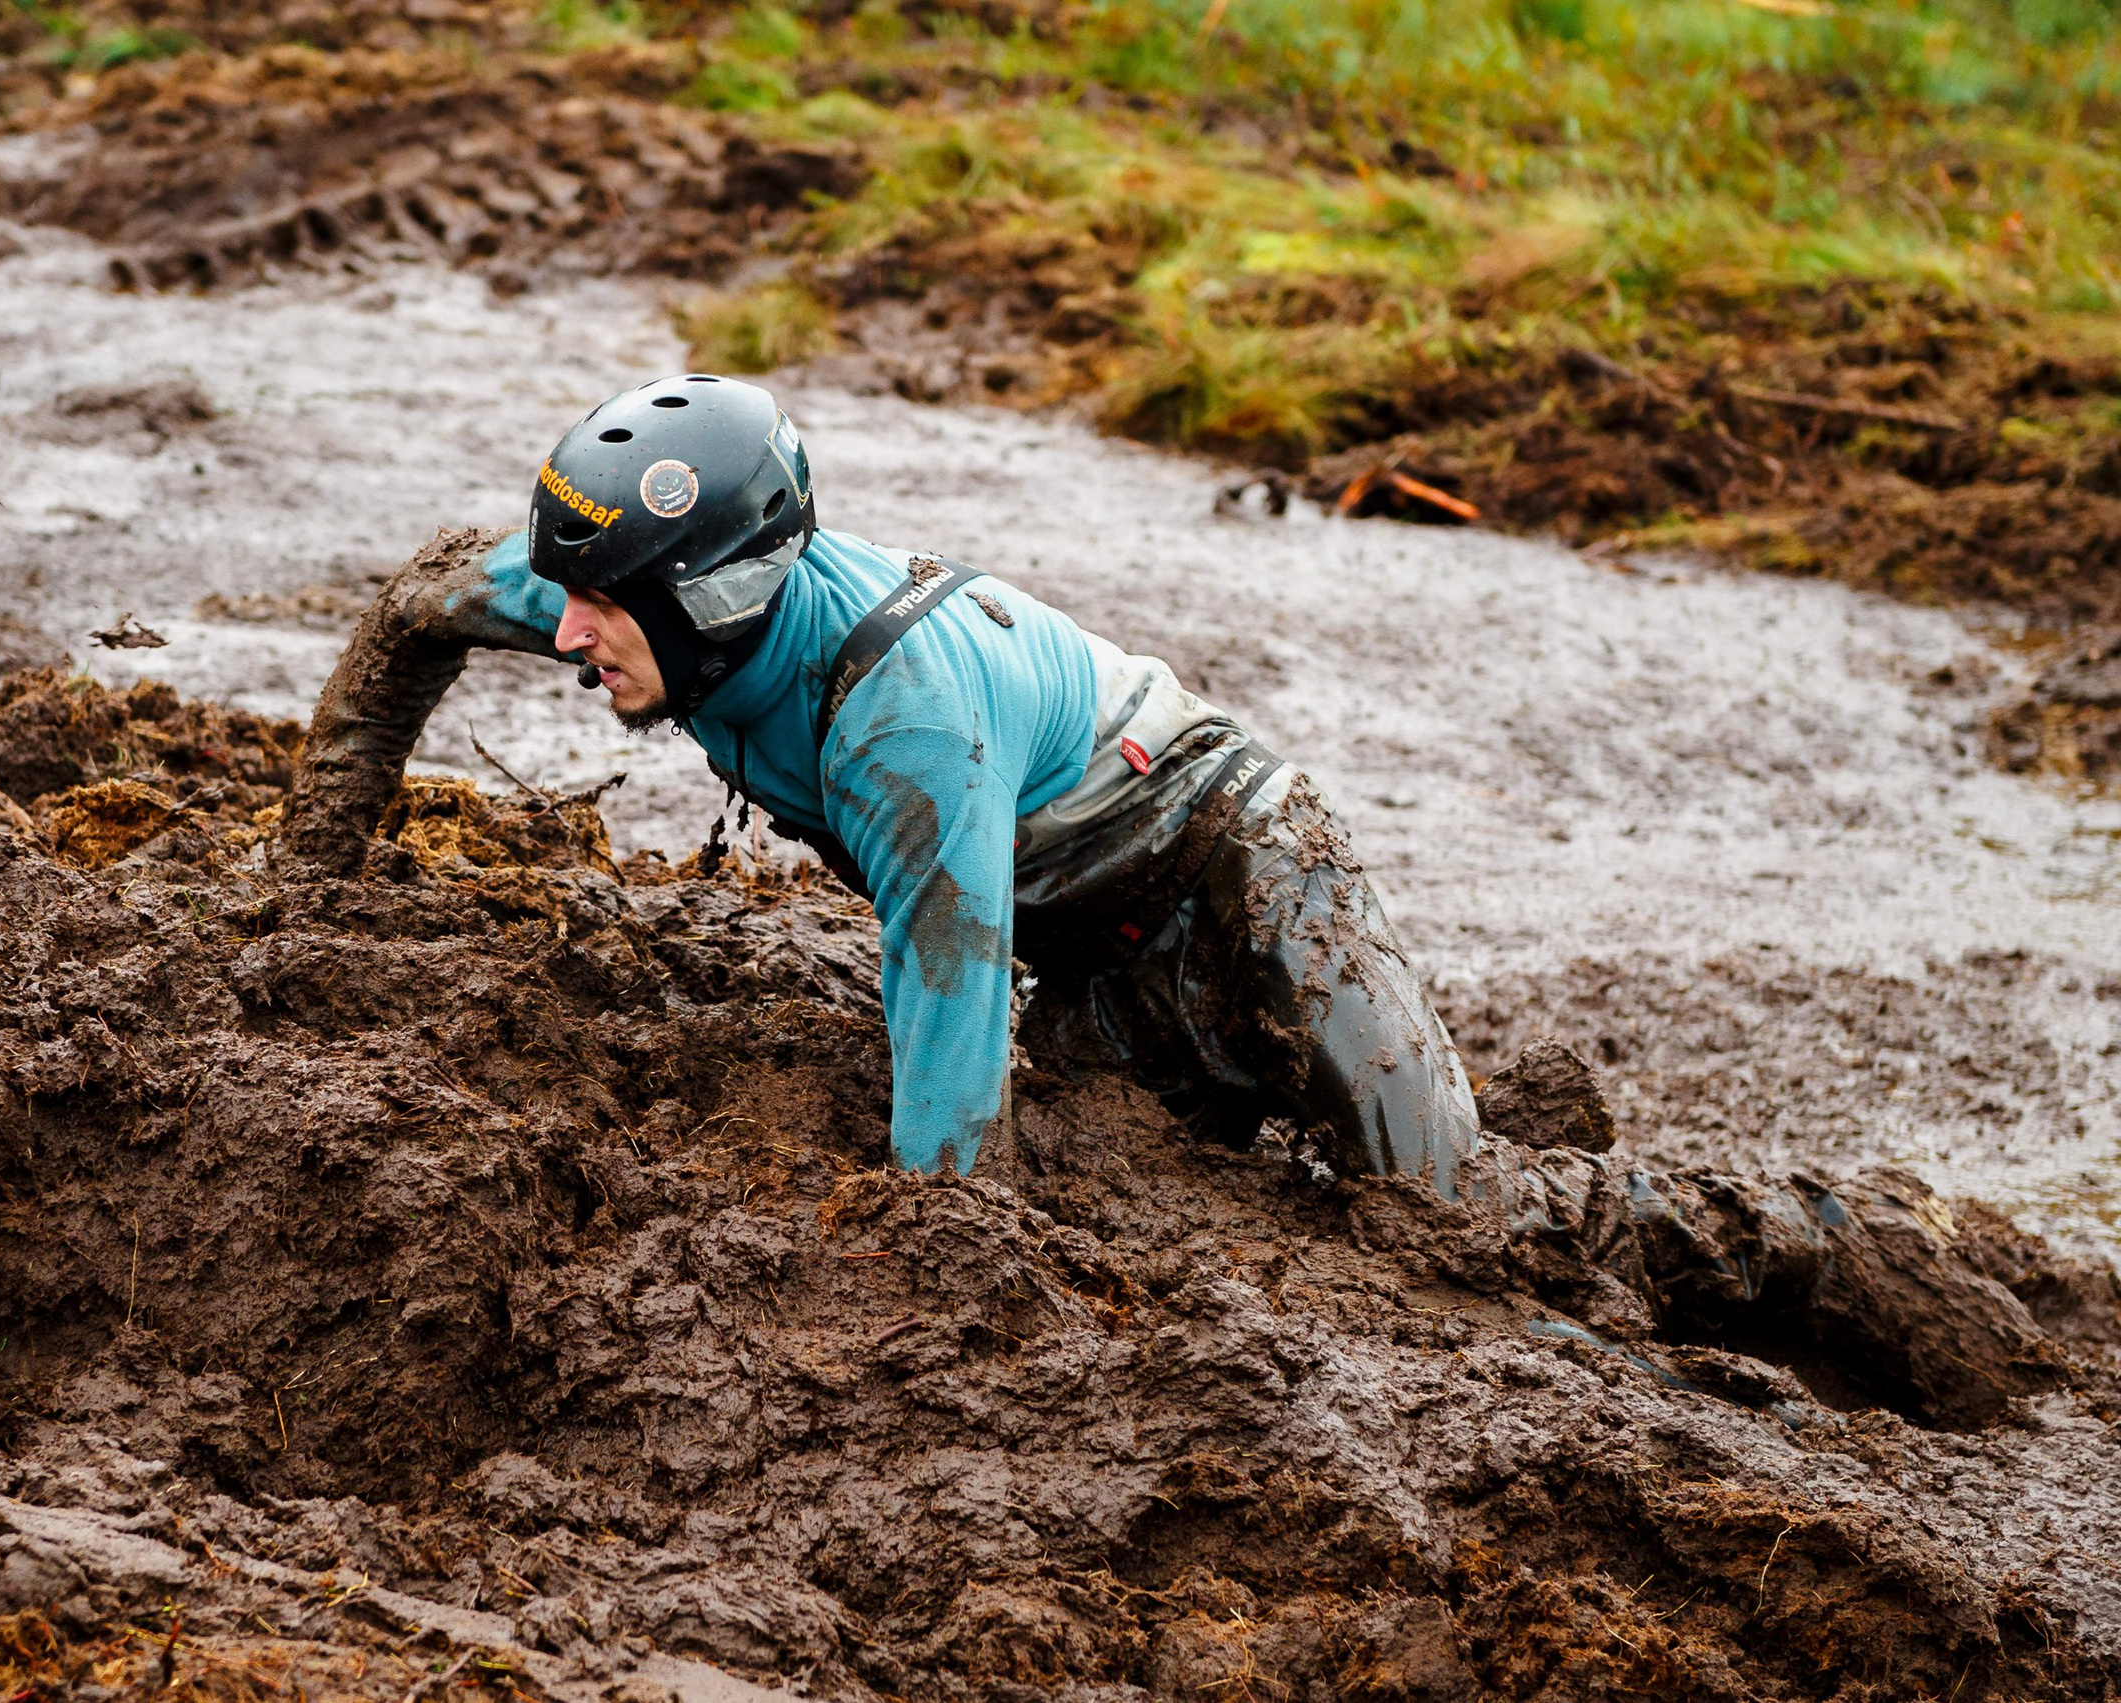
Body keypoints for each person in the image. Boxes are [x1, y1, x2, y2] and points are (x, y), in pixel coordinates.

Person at [280, 375, 2055, 1427]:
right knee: (1181, 1183)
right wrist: (302, 890)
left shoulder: (903, 725)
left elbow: (946, 1024)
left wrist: (919, 1300)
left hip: (1230, 857)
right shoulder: (624, 583)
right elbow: (411, 615)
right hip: (1083, 929)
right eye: (567, 590)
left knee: (1472, 1235)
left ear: (730, 595)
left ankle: (1844, 1248)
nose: (567, 632)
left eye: (602, 608)